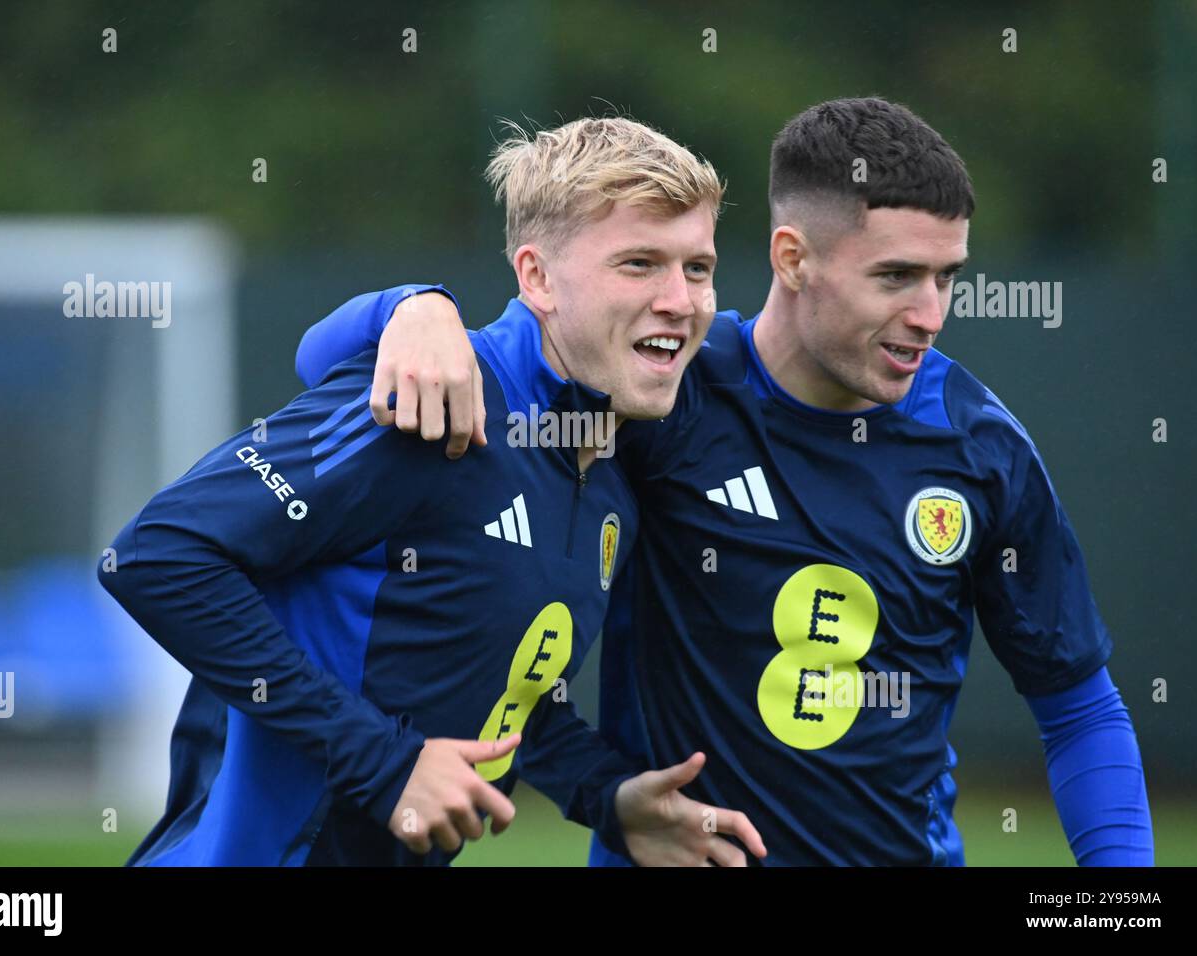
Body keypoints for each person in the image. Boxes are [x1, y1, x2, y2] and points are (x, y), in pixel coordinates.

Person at [299, 98, 1154, 866]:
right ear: (793, 257)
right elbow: (505, 655)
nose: (930, 315)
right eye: (895, 277)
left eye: (947, 278)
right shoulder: (659, 393)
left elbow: (1078, 705)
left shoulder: (981, 448)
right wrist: (411, 306)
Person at [99, 116, 767, 866]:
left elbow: (501, 696)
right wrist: (385, 764)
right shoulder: (436, 402)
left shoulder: (609, 482)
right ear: (537, 277)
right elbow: (158, 554)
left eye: (698, 268)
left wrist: (606, 796)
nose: (680, 300)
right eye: (639, 264)